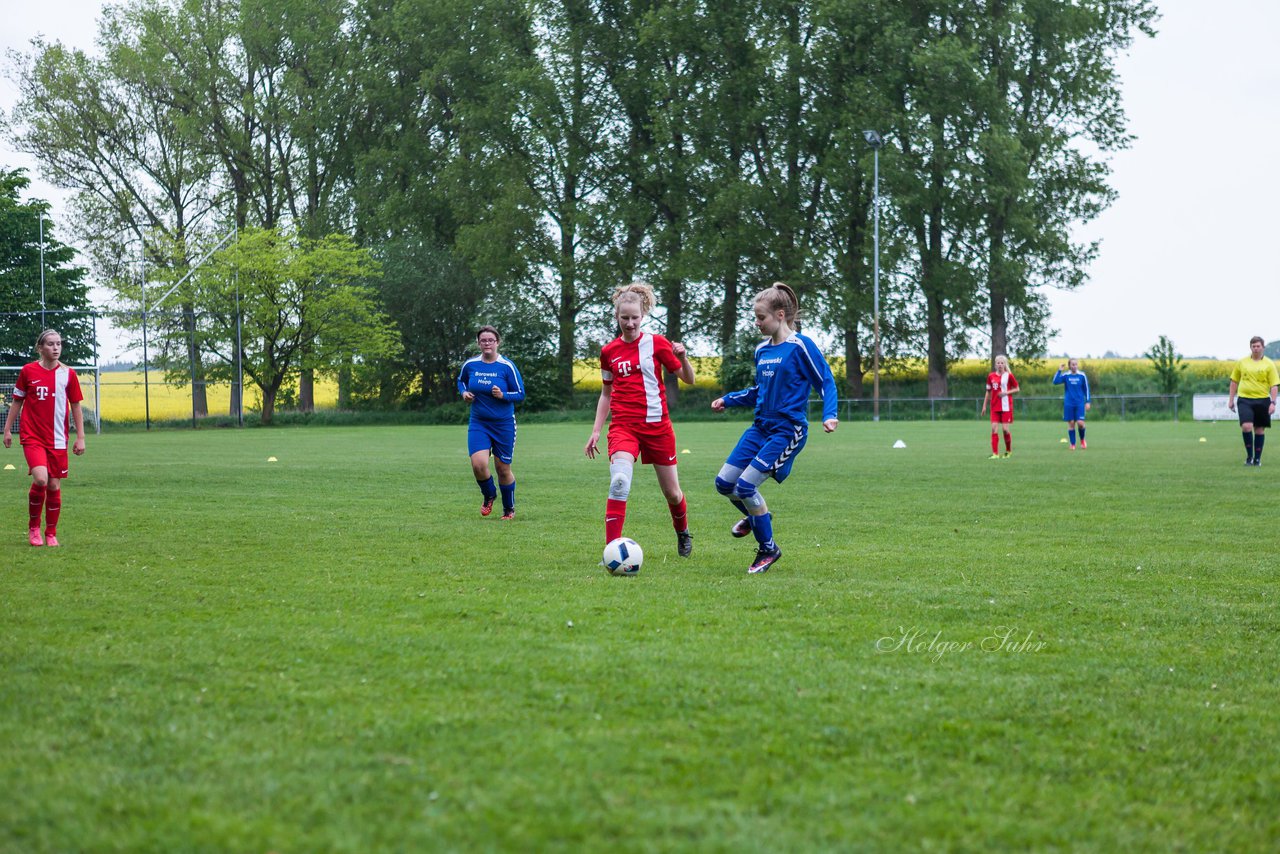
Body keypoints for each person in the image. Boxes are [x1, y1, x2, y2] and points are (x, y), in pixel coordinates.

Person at [711, 283, 838, 574]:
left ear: (780, 315)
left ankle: (768, 549)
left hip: (787, 431)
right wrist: (728, 400)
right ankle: (757, 517)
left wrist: (830, 414)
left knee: (745, 486)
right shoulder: (761, 351)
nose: (757, 323)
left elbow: (825, 381)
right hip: (760, 428)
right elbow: (760, 390)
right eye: (755, 317)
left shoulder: (800, 346)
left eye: (761, 318)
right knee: (724, 484)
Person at [584, 282, 695, 558]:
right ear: (617, 317)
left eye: (635, 317)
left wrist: (684, 357)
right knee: (619, 480)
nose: (630, 323)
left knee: (672, 493)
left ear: (643, 314)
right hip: (624, 427)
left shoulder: (657, 343)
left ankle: (682, 532)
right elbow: (606, 394)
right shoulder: (609, 351)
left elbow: (688, 379)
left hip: (658, 428)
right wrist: (596, 430)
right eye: (625, 318)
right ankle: (611, 552)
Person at [2, 329, 87, 547]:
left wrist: (81, 437)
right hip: (33, 436)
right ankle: (33, 528)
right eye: (50, 344)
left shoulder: (68, 374)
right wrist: (8, 429)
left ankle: (50, 533)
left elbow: (76, 405)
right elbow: (17, 402)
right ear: (40, 348)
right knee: (41, 479)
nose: (56, 347)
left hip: (58, 439)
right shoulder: (28, 371)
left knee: (54, 486)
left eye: (59, 343)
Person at [457, 326, 525, 518]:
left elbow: (520, 394)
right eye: (483, 340)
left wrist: (503, 395)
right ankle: (489, 495)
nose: (487, 343)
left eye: (490, 340)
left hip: (504, 424)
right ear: (478, 343)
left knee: (502, 469)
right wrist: (464, 393)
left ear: (497, 342)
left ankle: (508, 508)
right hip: (479, 423)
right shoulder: (470, 365)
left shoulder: (506, 366)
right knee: (478, 465)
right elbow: (460, 381)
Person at [1227, 336, 1279, 466]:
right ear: (1250, 347)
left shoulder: (1269, 364)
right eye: (1253, 346)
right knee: (1246, 426)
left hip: (1262, 400)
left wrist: (1273, 402)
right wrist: (1231, 400)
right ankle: (1249, 457)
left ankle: (1257, 459)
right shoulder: (1242, 362)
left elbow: (1274, 385)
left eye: (1258, 346)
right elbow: (1234, 381)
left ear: (1263, 347)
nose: (1255, 349)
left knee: (1259, 430)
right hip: (1245, 399)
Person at [981, 354, 1019, 458]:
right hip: (994, 407)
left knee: (1005, 430)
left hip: (1006, 407)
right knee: (994, 429)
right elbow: (988, 392)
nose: (1000, 365)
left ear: (1005, 364)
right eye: (998, 363)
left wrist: (1006, 393)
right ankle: (995, 454)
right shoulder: (991, 376)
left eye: (1002, 363)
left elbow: (1017, 388)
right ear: (995, 365)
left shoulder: (1009, 376)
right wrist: (984, 406)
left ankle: (1008, 451)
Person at [1053, 357, 1092, 450]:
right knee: (1071, 423)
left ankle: (1082, 440)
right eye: (1072, 364)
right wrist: (1059, 370)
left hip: (1079, 403)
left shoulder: (1082, 375)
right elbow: (1055, 381)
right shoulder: (1066, 375)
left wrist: (1088, 401)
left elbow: (1086, 389)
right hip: (1069, 403)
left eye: (1076, 364)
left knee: (1080, 423)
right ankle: (1072, 444)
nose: (1074, 366)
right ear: (1069, 366)